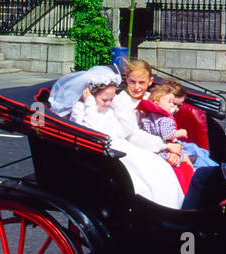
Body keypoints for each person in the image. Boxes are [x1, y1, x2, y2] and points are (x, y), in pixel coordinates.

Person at [68, 73, 186, 208]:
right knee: (143, 179)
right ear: (90, 95)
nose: (108, 103)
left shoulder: (109, 109)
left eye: (111, 99)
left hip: (121, 145)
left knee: (159, 167)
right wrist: (89, 103)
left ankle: (168, 208)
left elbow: (126, 129)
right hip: (103, 151)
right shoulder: (81, 108)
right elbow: (89, 130)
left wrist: (116, 102)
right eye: (104, 99)